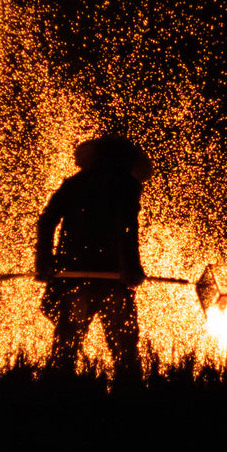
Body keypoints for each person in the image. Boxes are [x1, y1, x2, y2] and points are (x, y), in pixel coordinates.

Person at [34, 134, 150, 382]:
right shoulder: (125, 185)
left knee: (66, 347)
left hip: (75, 276)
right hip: (112, 278)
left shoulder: (75, 183)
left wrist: (45, 258)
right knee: (124, 348)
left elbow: (47, 221)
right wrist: (131, 268)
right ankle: (131, 399)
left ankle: (57, 394)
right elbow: (126, 228)